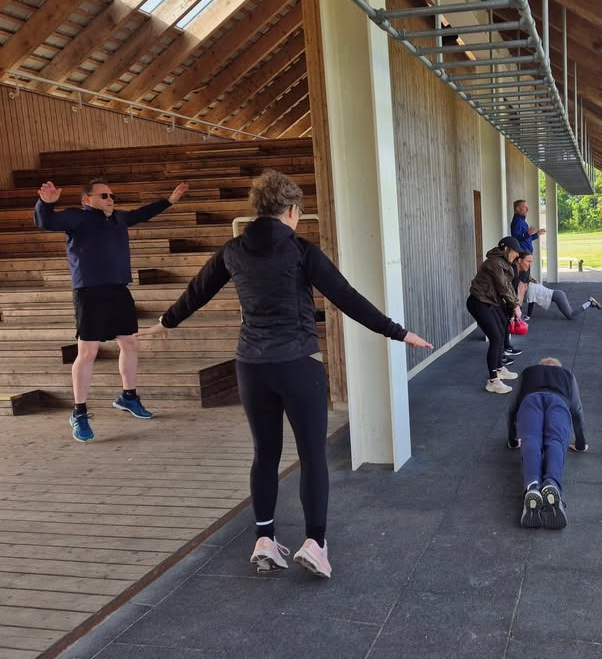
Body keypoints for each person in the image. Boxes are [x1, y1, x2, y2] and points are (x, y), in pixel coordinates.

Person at [138, 170, 432, 578]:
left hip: (251, 368)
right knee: (312, 456)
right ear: (292, 211)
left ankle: (265, 538)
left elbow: (196, 292)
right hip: (297, 365)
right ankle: (315, 543)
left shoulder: (233, 250)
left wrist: (165, 324)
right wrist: (398, 333)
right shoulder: (300, 250)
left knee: (265, 453)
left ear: (258, 210)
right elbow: (346, 297)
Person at [34, 177, 188, 443]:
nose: (110, 199)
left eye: (111, 195)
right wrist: (45, 204)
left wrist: (169, 201)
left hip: (118, 289)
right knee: (88, 351)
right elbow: (46, 222)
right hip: (89, 293)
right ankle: (79, 412)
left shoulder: (117, 219)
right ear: (87, 199)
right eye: (103, 195)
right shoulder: (77, 218)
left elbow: (141, 214)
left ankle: (128, 397)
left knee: (129, 343)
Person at [507, 357, 587, 529]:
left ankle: (533, 486)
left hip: (530, 401)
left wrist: (512, 439)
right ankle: (551, 483)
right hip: (558, 401)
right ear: (558, 368)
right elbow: (577, 410)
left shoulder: (529, 372)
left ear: (540, 366)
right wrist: (580, 443)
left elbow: (512, 408)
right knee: (556, 441)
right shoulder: (567, 375)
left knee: (531, 441)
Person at [466, 236, 522, 394]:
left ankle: (499, 368)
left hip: (490, 301)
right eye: (515, 252)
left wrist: (513, 305)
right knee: (496, 337)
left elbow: (509, 286)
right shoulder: (494, 263)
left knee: (503, 327)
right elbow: (503, 287)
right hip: (478, 302)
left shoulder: (504, 262)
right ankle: (493, 381)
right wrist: (516, 306)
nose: (517, 255)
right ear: (506, 249)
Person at [514, 253, 601, 320]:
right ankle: (590, 304)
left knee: (571, 315)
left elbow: (530, 303)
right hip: (557, 295)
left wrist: (528, 316)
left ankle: (589, 302)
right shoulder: (532, 285)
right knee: (570, 315)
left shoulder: (531, 289)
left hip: (558, 296)